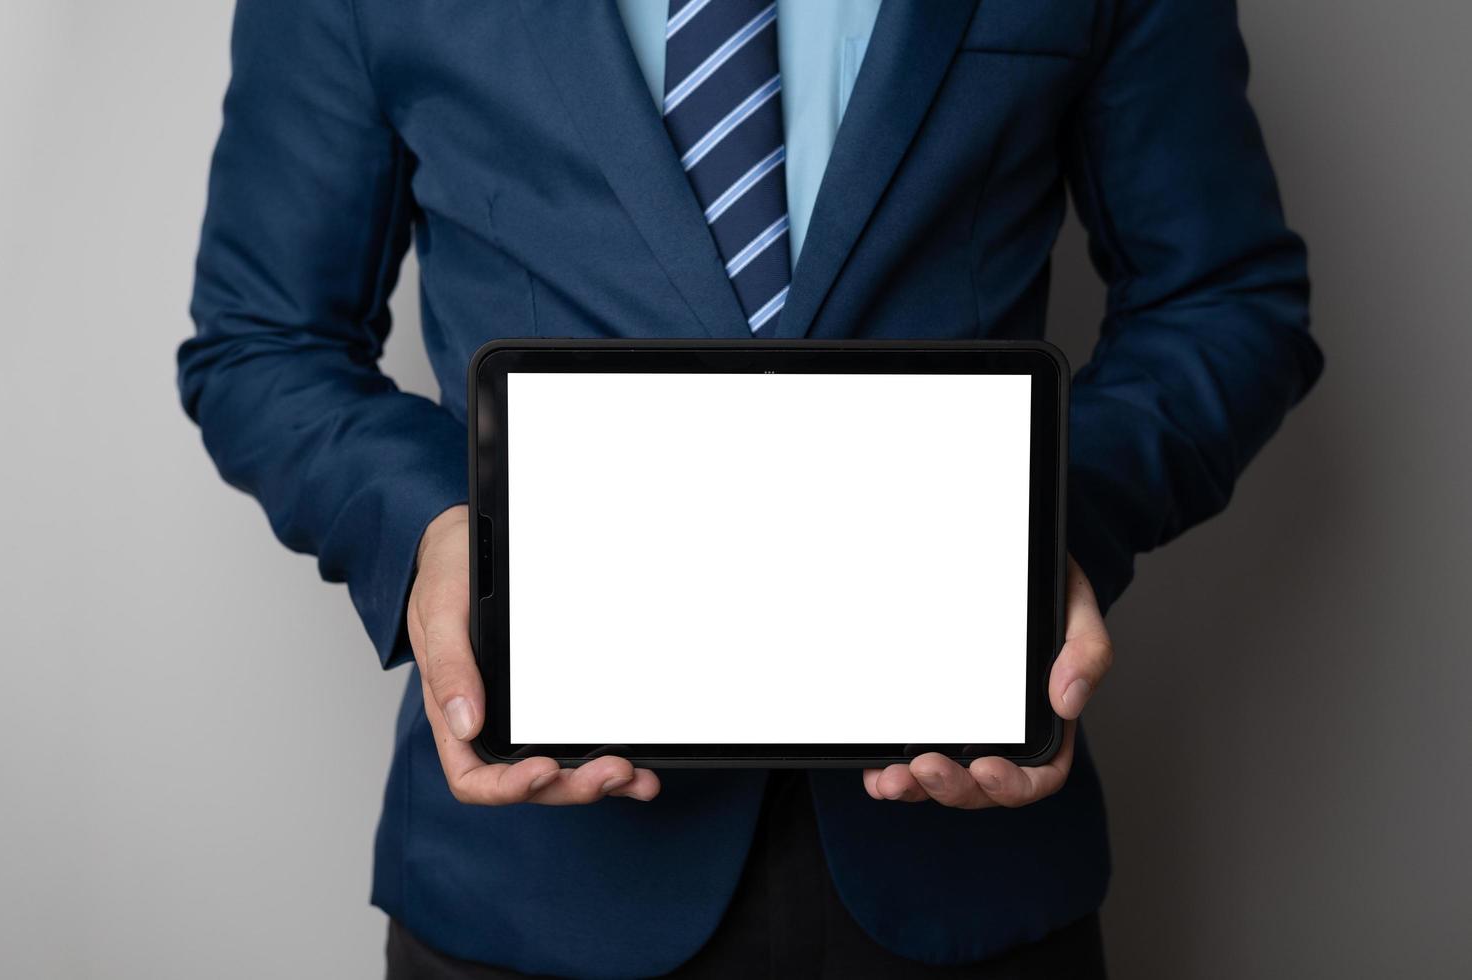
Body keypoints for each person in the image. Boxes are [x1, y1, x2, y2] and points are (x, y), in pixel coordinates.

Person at [177, 0, 1320, 975]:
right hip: (537, 884)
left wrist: (1050, 526)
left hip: (968, 869)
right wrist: (434, 529)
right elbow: (263, 338)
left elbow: (1225, 298)